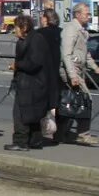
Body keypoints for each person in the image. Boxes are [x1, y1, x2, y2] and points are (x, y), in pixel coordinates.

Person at [6, 14, 50, 152]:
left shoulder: (35, 40)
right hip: (29, 82)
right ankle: (35, 141)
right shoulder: (27, 39)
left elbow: (34, 63)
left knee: (21, 114)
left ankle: (20, 142)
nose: (14, 31)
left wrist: (17, 65)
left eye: (16, 28)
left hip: (31, 83)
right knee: (32, 113)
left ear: (24, 27)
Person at [60, 2, 99, 146]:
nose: (89, 16)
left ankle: (61, 132)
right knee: (85, 100)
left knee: (71, 102)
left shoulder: (82, 30)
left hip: (78, 70)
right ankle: (83, 134)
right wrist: (72, 76)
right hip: (71, 70)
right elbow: (66, 54)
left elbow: (84, 52)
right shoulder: (71, 29)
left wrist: (94, 66)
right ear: (77, 14)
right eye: (87, 14)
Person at [37, 8, 63, 142]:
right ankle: (59, 132)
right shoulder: (60, 32)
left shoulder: (40, 33)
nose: (41, 19)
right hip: (57, 71)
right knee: (55, 102)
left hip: (42, 72)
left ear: (46, 19)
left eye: (42, 17)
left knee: (40, 103)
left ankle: (39, 133)